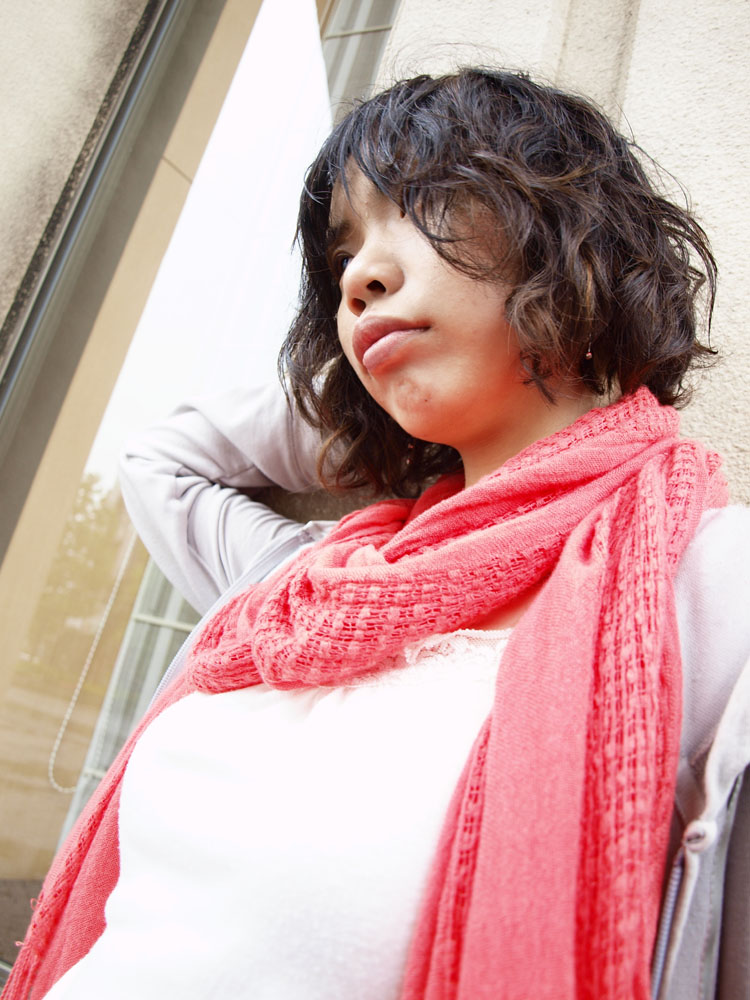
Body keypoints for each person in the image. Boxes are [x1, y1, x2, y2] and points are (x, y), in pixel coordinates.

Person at [5, 69, 750, 1000]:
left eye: (424, 209)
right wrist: (372, 414)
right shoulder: (304, 590)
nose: (359, 277)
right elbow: (163, 460)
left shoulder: (711, 592)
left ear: (569, 243)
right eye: (343, 251)